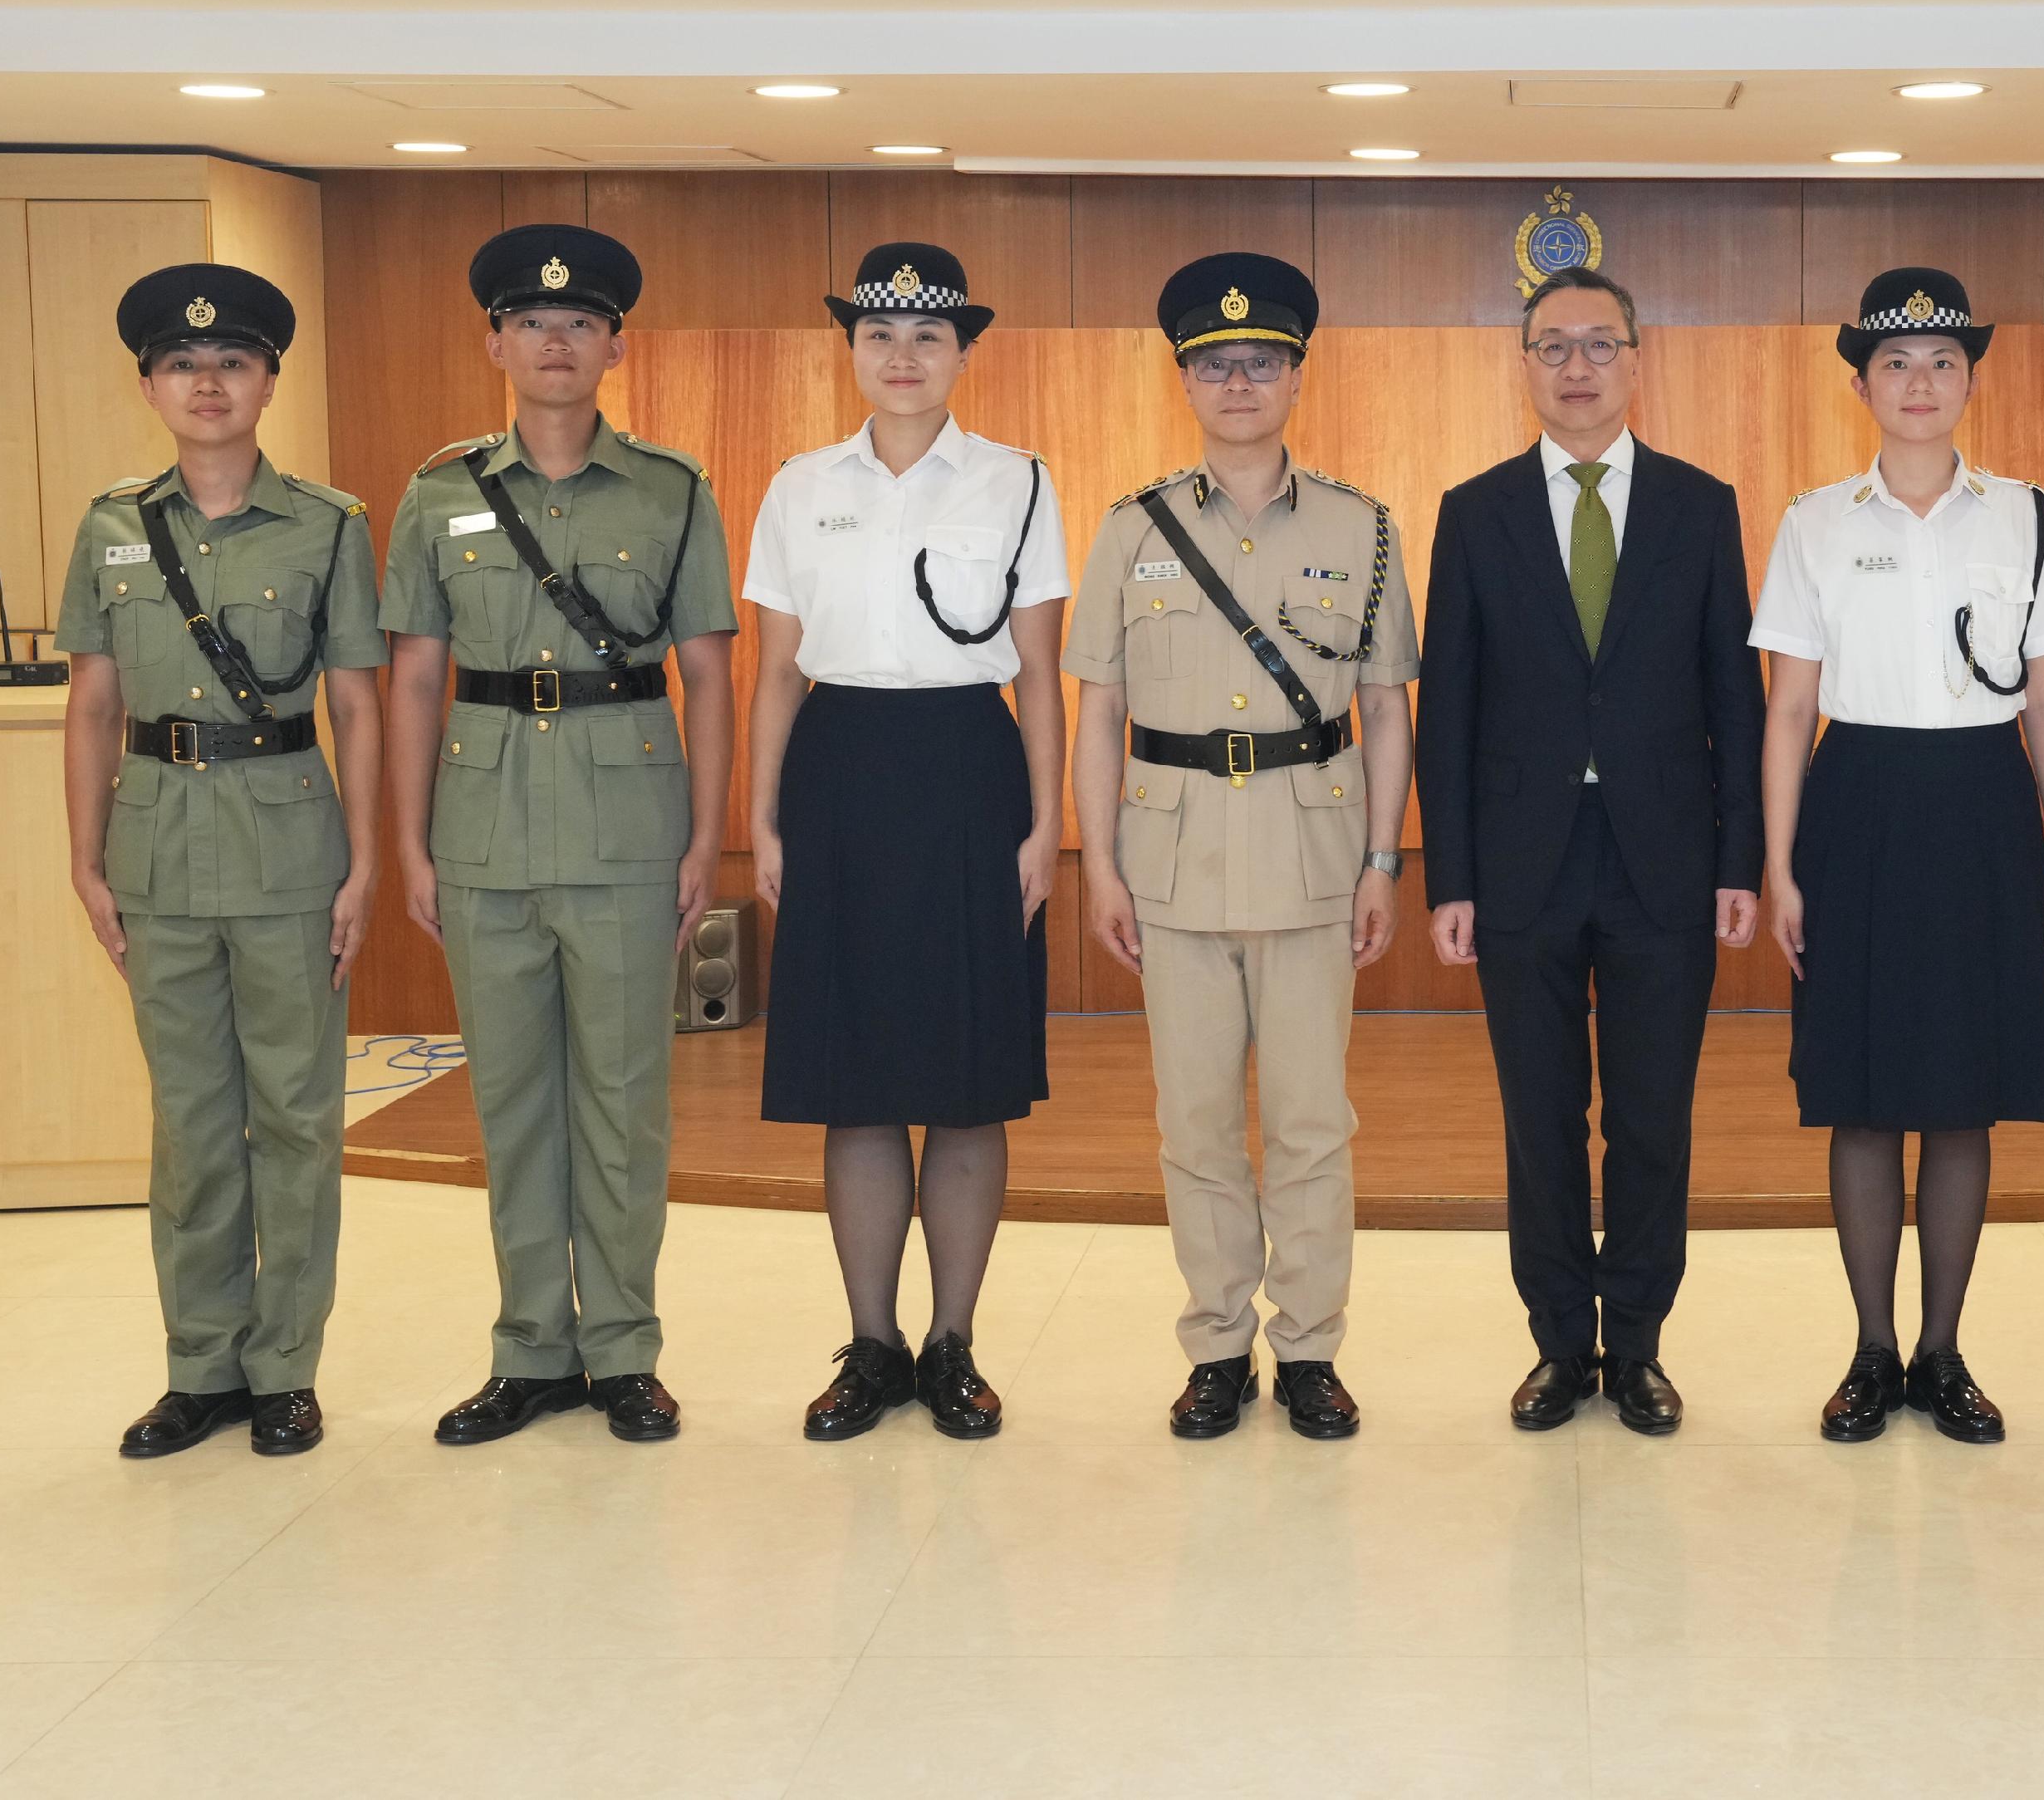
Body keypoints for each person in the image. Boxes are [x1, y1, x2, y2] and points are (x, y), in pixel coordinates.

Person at [379, 224, 738, 1446]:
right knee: (514, 1099)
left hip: (630, 825)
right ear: (495, 342)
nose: (554, 342)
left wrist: (703, 840)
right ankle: (532, 1346)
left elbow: (709, 676)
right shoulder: (438, 495)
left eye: (580, 323)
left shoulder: (673, 490)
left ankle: (625, 1347)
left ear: (614, 347)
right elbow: (415, 681)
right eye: (531, 323)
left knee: (626, 1099)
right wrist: (416, 846)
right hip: (480, 830)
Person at [1064, 253, 1419, 1440]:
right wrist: (1099, 864)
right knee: (1198, 1122)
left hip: (1315, 865)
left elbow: (1385, 707)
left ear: (1296, 376)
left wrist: (1383, 862)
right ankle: (1218, 1345)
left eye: (1260, 362)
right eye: (1215, 366)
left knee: (1314, 1123)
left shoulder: (1363, 529)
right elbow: (1099, 710)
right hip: (1169, 867)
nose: (1238, 382)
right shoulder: (1130, 529)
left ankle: (1310, 1350)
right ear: (1186, 381)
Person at [1418, 264, 1766, 1436]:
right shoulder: (1475, 512)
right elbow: (1448, 713)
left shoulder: (1700, 504)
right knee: (1543, 1118)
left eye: (1598, 345)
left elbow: (1738, 698)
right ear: (1523, 365)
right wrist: (1449, 876)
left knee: (1654, 1119)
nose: (1577, 369)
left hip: (1665, 862)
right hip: (1521, 867)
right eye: (1553, 347)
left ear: (1637, 354)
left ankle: (1641, 1346)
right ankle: (1560, 1344)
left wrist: (1740, 863)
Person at [743, 243, 1069, 1441]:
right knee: (858, 1083)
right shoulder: (797, 483)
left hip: (970, 778)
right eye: (880, 335)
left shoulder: (1018, 481)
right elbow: (776, 671)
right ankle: (871, 1347)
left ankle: (953, 1347)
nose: (902, 356)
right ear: (852, 350)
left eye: (928, 337)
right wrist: (762, 818)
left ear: (963, 355)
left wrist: (1047, 828)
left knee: (970, 1082)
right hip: (837, 773)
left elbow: (1038, 674)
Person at [59, 264, 385, 1460]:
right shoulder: (111, 525)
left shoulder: (330, 524)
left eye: (232, 363)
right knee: (192, 1122)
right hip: (156, 848)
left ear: (268, 381)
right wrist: (86, 861)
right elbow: (93, 706)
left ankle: (285, 1366)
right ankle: (200, 1366)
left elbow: (359, 703)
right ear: (149, 381)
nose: (208, 383)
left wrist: (362, 869)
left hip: (292, 844)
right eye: (183, 365)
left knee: (296, 1116)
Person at [1751, 267, 2044, 1445]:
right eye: (1897, 363)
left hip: (1986, 807)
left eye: (1944, 362)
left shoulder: (2029, 515)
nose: (1921, 383)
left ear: (1972, 381)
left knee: (1962, 1098)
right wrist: (1781, 863)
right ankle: (1871, 1351)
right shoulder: (1815, 522)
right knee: (1861, 1093)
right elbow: (1789, 711)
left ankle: (1944, 1353)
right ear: (1861, 384)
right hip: (1860, 804)